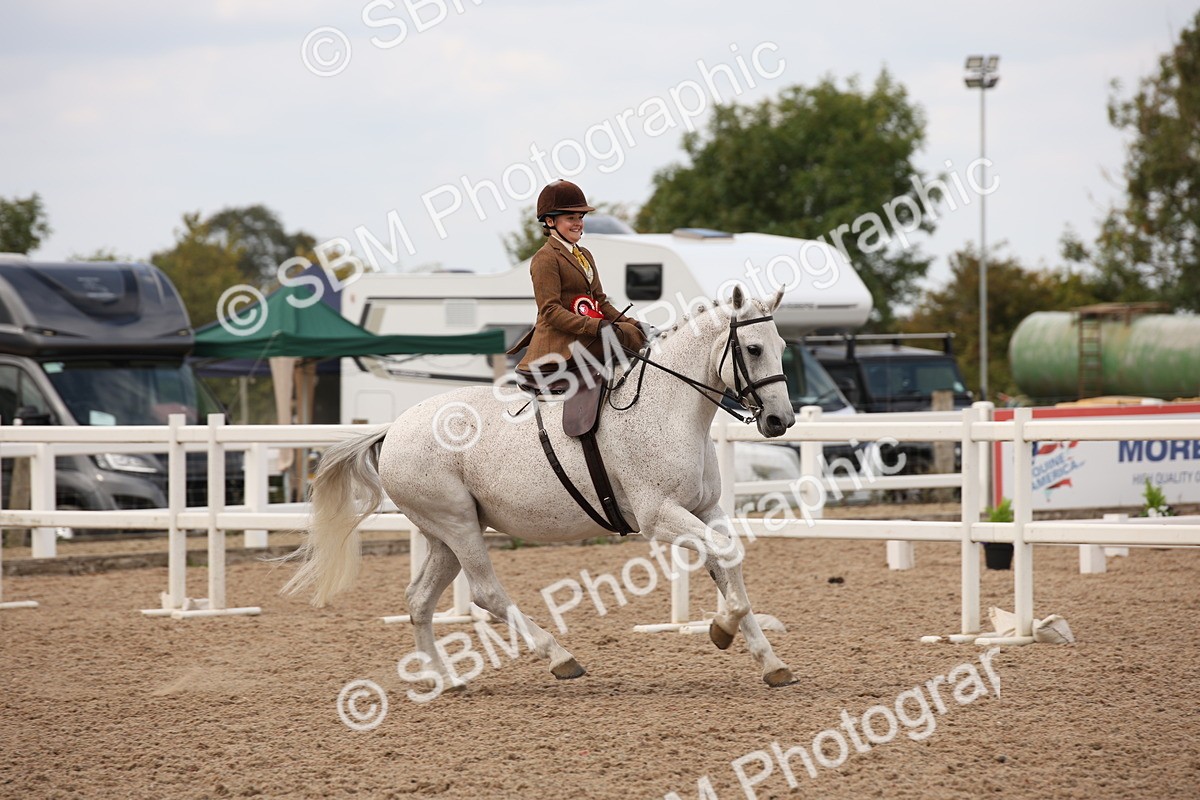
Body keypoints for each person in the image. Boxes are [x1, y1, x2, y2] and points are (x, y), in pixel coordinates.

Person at [508, 180, 646, 388]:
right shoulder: (545, 258)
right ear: (550, 221)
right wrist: (595, 325)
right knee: (624, 335)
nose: (578, 223)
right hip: (558, 344)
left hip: (581, 337)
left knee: (633, 332)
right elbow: (550, 310)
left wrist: (634, 323)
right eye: (570, 218)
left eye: (580, 217)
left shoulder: (585, 254)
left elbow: (600, 301)